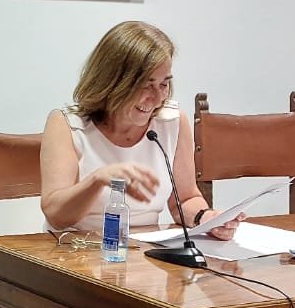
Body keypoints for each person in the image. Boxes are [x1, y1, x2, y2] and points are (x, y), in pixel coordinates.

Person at [39, 21, 243, 239]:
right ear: (113, 82)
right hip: (72, 250)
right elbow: (56, 216)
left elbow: (185, 199)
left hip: (142, 251)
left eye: (164, 84)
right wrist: (97, 179)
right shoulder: (67, 123)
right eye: (145, 85)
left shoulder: (172, 122)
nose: (156, 98)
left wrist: (207, 218)